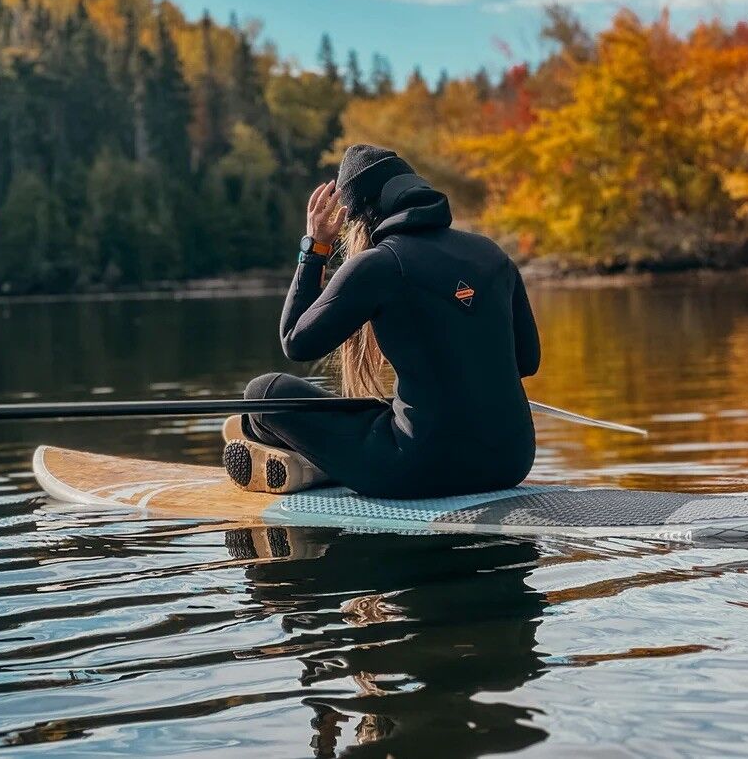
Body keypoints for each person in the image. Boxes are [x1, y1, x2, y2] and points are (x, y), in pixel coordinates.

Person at [222, 144, 540, 499]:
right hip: (512, 461)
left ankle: (310, 463)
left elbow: (295, 341)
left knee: (262, 397)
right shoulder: (493, 254)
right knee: (382, 414)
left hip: (421, 468)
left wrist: (314, 250)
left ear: (359, 219)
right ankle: (317, 462)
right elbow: (527, 362)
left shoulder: (379, 263)